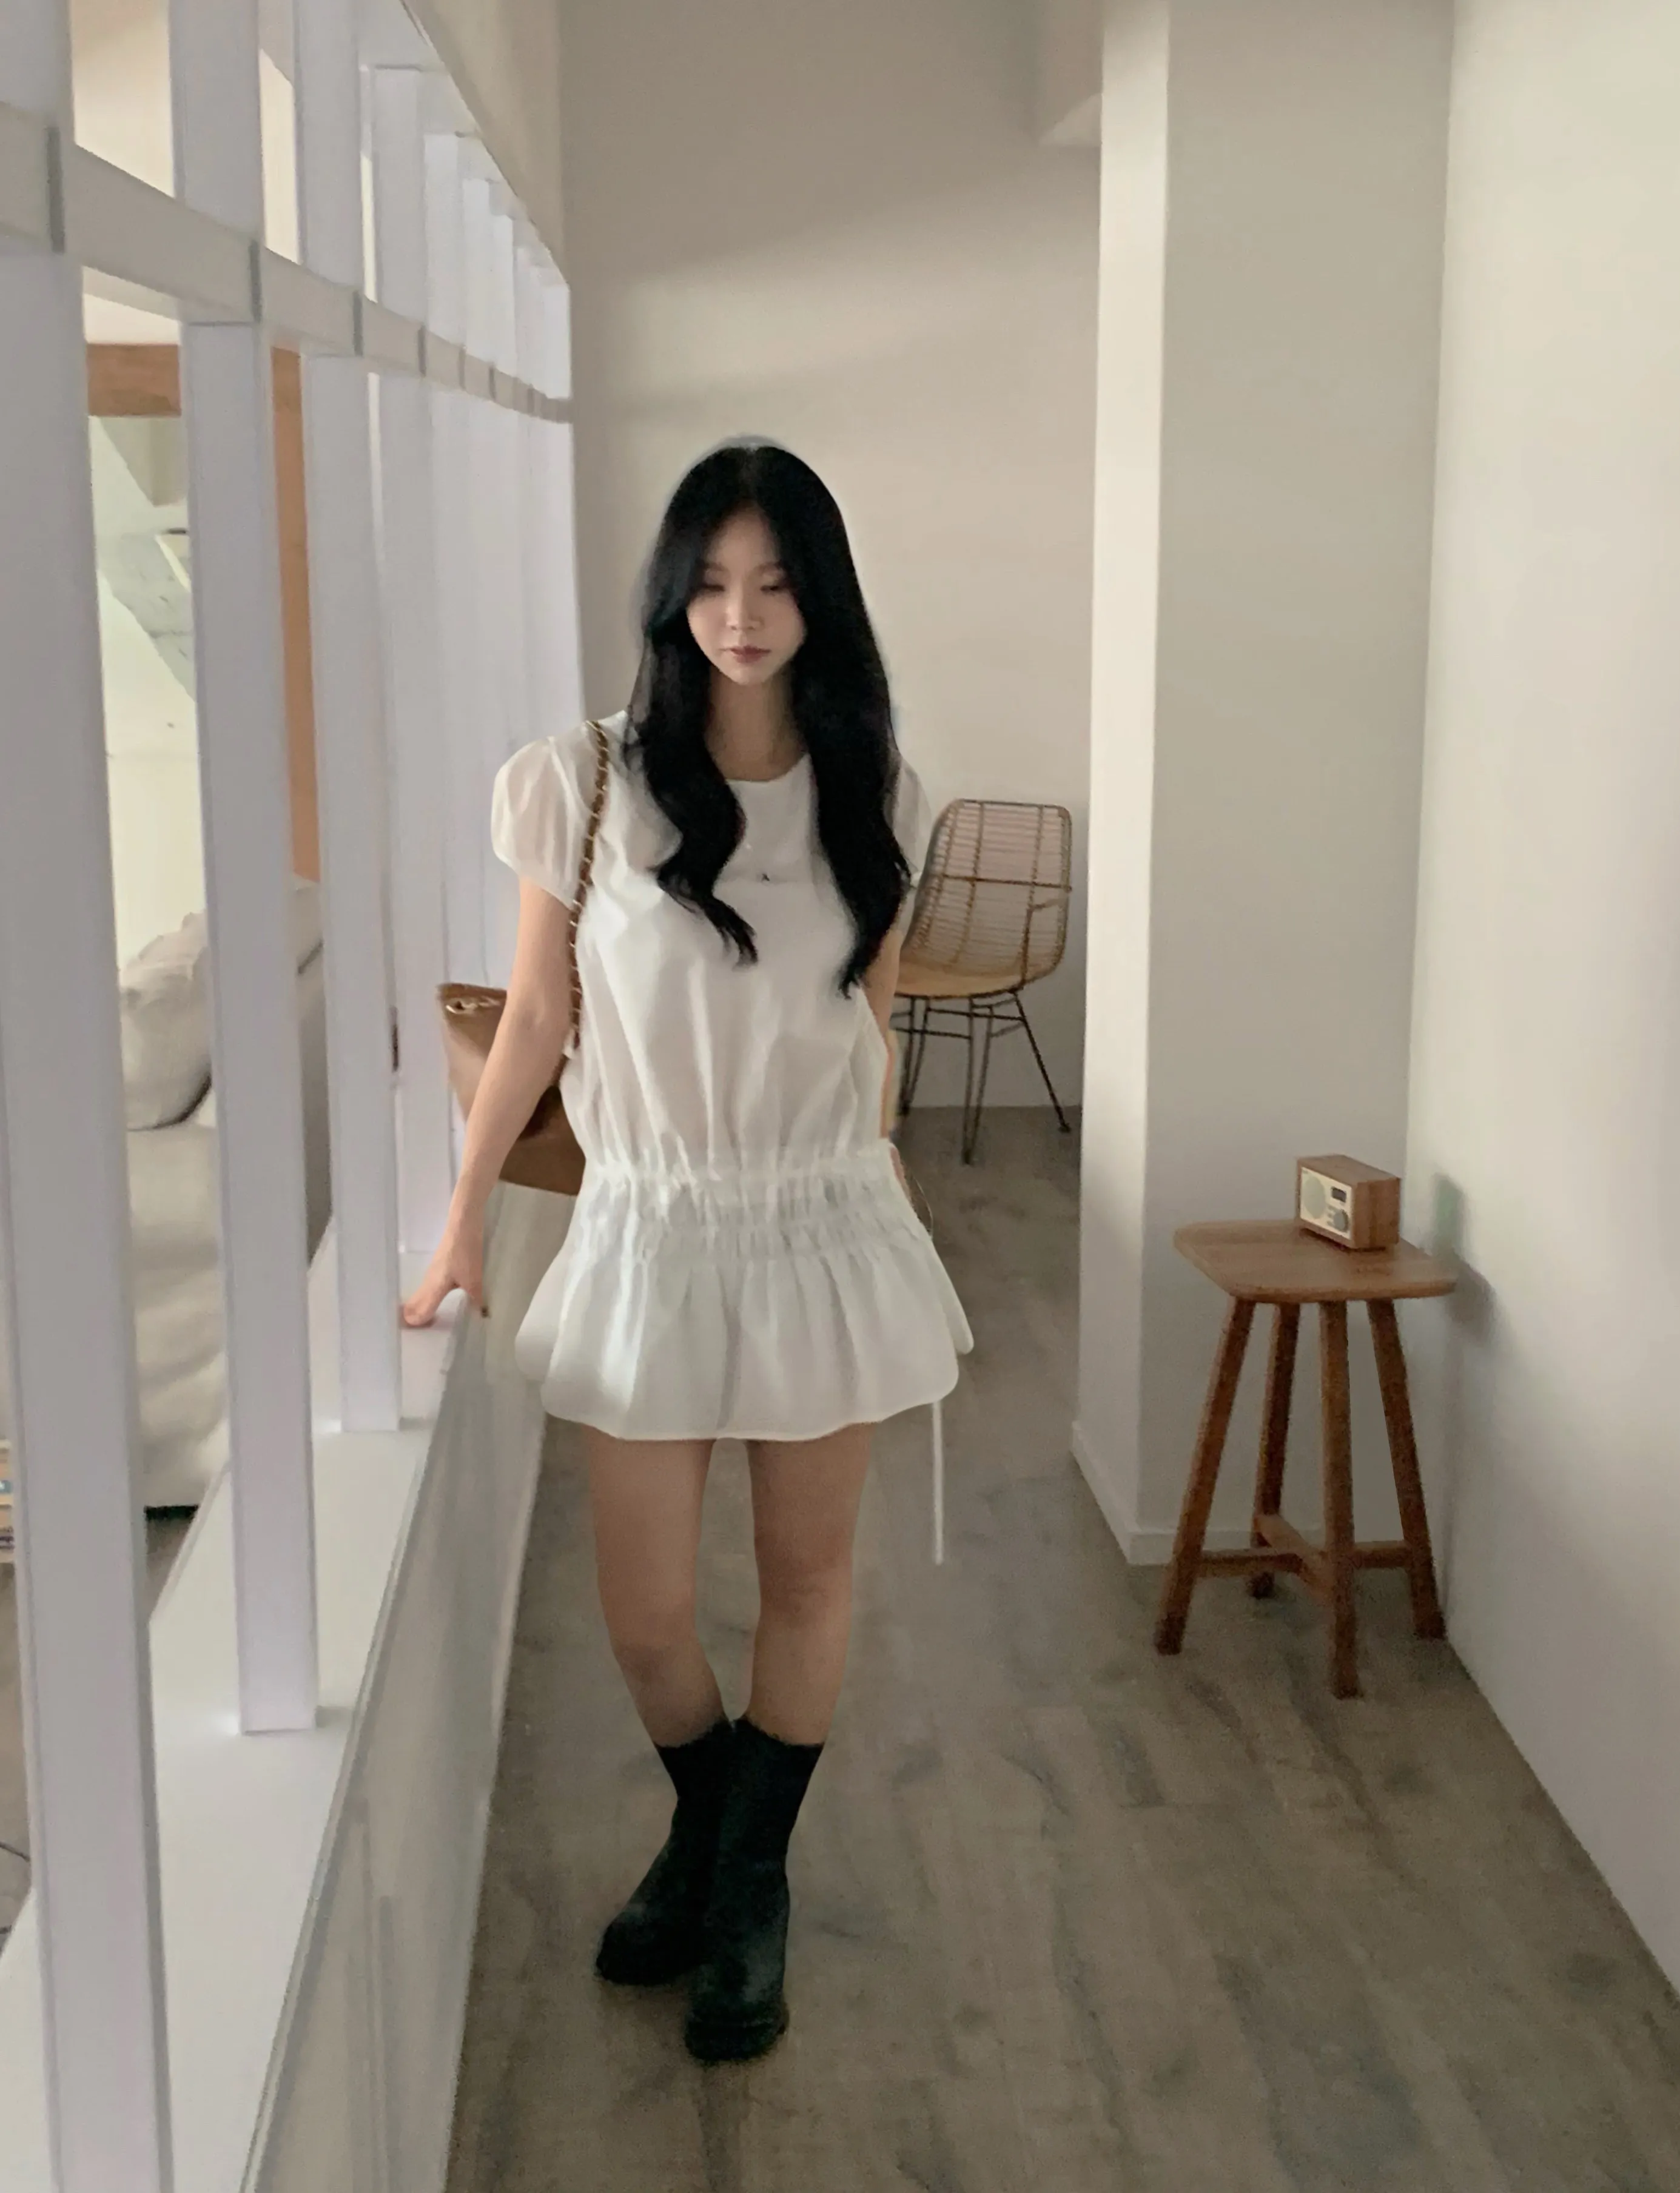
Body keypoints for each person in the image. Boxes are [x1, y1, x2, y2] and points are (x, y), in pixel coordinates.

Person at [402, 440, 971, 2063]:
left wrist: (881, 1173)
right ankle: (721, 1838)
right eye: (713, 582)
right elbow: (534, 1018)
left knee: (807, 1579)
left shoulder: (879, 789)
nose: (742, 614)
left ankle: (745, 1890)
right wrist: (461, 1219)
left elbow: (869, 1029)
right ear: (673, 596)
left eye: (775, 582)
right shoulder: (580, 781)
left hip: (819, 1219)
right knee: (646, 1609)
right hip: (649, 1218)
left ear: (821, 598)